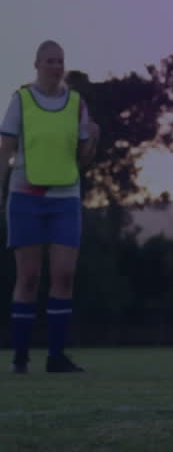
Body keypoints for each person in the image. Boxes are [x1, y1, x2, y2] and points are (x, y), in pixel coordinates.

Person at [1, 40, 100, 374]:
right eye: (50, 61)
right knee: (28, 277)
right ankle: (20, 358)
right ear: (37, 64)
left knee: (65, 275)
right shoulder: (21, 100)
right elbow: (5, 150)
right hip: (26, 197)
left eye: (60, 61)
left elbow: (83, 158)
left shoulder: (76, 103)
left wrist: (93, 138)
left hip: (66, 198)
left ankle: (56, 357)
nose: (56, 66)